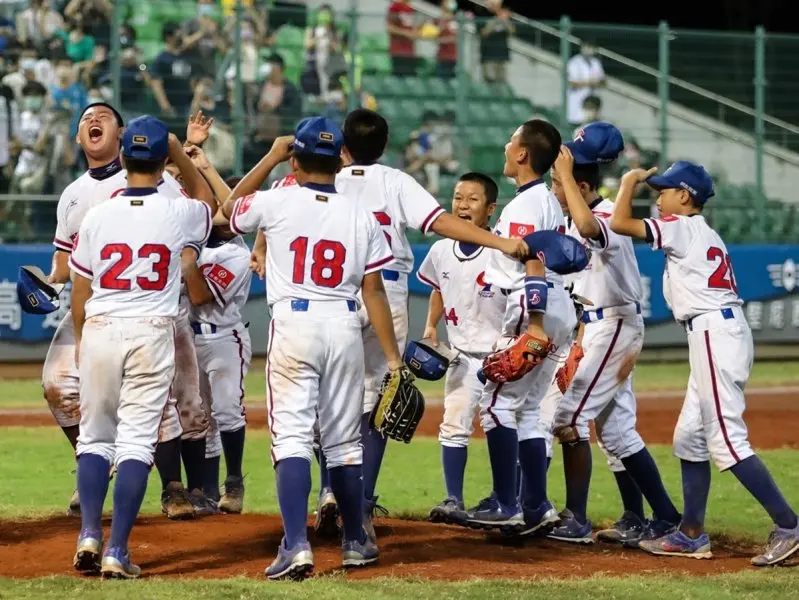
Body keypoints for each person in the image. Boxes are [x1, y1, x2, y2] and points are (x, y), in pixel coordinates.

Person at [246, 108, 527, 543]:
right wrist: (501, 241)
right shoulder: (395, 181)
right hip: (383, 292)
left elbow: (261, 209)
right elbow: (442, 224)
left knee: (317, 402)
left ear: (341, 147)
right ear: (384, 144)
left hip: (329, 297)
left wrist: (262, 246)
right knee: (376, 409)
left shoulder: (313, 179)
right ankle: (360, 503)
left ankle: (326, 492)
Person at [218, 117, 403, 580]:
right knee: (343, 442)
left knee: (294, 438)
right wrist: (395, 359)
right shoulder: (361, 213)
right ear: (339, 160)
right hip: (344, 322)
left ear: (295, 159)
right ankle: (356, 540)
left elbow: (226, 208)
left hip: (295, 324)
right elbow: (374, 291)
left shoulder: (279, 199)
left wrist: (271, 156)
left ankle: (296, 545)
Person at [610, 161, 799, 565]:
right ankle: (691, 533)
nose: (657, 197)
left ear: (685, 196)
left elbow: (621, 223)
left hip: (715, 333)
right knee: (688, 439)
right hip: (714, 332)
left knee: (727, 442)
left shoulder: (682, 225)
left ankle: (790, 526)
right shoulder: (700, 231)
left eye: (663, 190)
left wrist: (628, 182)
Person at [43, 102, 216, 519]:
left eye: (103, 116)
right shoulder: (73, 196)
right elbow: (64, 269)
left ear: (122, 140)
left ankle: (177, 486)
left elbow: (196, 207)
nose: (92, 120)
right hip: (98, 302)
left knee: (181, 404)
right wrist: (45, 284)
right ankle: (97, 465)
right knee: (58, 384)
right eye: (85, 118)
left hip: (156, 304)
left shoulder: (146, 176)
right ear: (77, 138)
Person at [544, 122, 682, 545]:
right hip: (599, 325)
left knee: (568, 418)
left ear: (581, 184)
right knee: (618, 432)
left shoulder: (603, 216)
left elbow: (590, 230)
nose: (555, 189)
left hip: (615, 323)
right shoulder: (577, 216)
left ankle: (577, 518)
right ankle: (654, 517)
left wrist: (564, 177)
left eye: (560, 182)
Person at [463, 119, 575, 536]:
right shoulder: (545, 199)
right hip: (556, 304)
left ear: (523, 154)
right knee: (528, 412)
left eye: (512, 142)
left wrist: (536, 325)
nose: (506, 147)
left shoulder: (525, 206)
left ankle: (507, 505)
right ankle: (537, 505)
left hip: (535, 309)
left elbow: (533, 264)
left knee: (494, 405)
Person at [416, 172, 505, 524]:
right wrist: (429, 326)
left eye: (472, 199)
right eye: (457, 197)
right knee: (453, 425)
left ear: (490, 209)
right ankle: (453, 498)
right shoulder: (440, 250)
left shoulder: (503, 248)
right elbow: (437, 287)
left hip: (502, 357)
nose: (462, 205)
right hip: (462, 355)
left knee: (503, 426)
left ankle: (506, 499)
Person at [181, 156, 252, 514]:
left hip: (224, 337)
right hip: (189, 338)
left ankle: (234, 482)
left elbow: (199, 295)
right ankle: (206, 492)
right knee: (199, 418)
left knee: (226, 411)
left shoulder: (236, 254)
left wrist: (186, 258)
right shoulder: (198, 239)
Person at [149, 21, 195, 119]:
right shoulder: (162, 59)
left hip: (186, 107)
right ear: (169, 37)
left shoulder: (187, 56)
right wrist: (166, 107)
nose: (182, 36)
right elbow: (156, 84)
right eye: (178, 33)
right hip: (171, 109)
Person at [566, 41, 605, 129]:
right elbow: (572, 83)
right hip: (577, 103)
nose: (589, 49)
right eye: (587, 46)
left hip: (592, 103)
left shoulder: (595, 62)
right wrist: (591, 83)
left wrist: (594, 83)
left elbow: (602, 80)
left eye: (591, 47)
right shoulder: (574, 62)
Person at [479, 2, 513, 85]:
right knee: (490, 79)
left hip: (502, 55)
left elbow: (512, 32)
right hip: (488, 55)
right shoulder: (484, 14)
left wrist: (505, 21)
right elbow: (483, 33)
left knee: (501, 80)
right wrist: (494, 22)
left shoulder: (506, 21)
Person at [387, 0, 418, 77]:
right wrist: (406, 33)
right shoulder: (395, 7)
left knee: (411, 77)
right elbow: (390, 28)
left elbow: (412, 28)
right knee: (399, 76)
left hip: (410, 51)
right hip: (398, 51)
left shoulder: (411, 9)